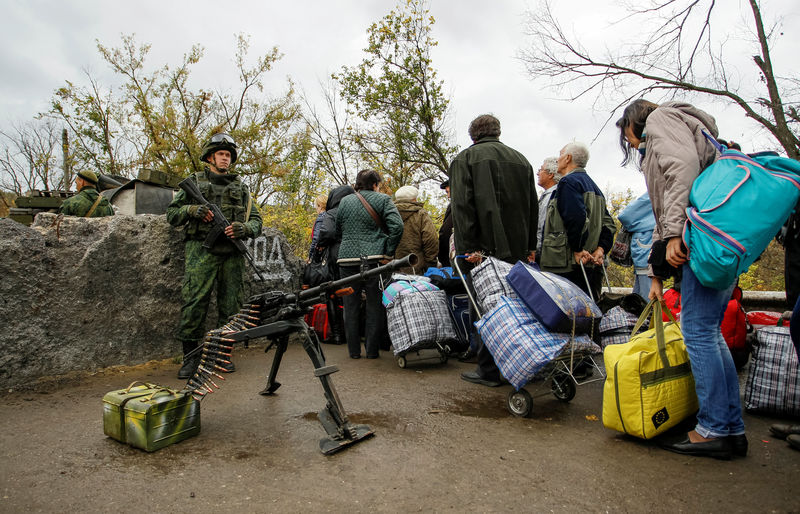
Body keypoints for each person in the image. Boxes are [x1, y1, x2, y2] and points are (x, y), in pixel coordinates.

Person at [616, 98, 746, 459]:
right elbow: (667, 199)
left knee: (699, 332)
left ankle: (715, 428)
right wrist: (658, 272)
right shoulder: (692, 126)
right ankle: (730, 426)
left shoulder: (661, 119)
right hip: (716, 237)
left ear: (634, 122)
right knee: (707, 330)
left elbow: (682, 172)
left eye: (629, 136)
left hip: (698, 238)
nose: (631, 143)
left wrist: (674, 234)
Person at [449, 114, 538, 387]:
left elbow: (462, 210)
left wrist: (466, 252)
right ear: (497, 133)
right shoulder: (522, 160)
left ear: (473, 135)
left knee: (484, 307)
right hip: (517, 250)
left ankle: (488, 370)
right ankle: (521, 362)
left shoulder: (464, 159)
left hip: (481, 252)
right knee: (517, 306)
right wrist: (530, 246)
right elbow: (532, 206)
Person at [166, 133, 263, 379]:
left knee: (231, 306)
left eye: (228, 155)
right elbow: (172, 214)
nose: (225, 159)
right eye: (221, 154)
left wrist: (244, 229)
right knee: (194, 302)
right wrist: (193, 210)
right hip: (201, 251)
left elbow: (256, 220)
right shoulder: (194, 183)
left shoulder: (241, 188)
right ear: (210, 157)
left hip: (231, 254)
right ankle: (191, 359)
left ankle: (221, 356)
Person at [335, 169, 403, 359]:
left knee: (350, 305)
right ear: (375, 184)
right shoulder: (382, 200)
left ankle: (354, 351)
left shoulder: (344, 202)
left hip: (346, 259)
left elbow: (338, 228)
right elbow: (397, 226)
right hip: (375, 259)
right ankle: (372, 351)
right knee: (374, 304)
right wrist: (388, 253)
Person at [539, 141, 616, 302]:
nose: (558, 159)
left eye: (560, 154)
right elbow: (609, 224)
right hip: (589, 264)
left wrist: (578, 248)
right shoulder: (595, 188)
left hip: (567, 264)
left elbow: (576, 217)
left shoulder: (568, 183)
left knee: (569, 315)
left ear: (567, 158)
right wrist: (600, 249)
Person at [316, 184, 356, 345]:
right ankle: (355, 332)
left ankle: (338, 334)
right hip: (357, 255)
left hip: (336, 256)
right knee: (354, 293)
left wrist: (319, 246)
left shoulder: (331, 213)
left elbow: (326, 234)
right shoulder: (356, 211)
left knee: (333, 294)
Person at [617, 192, 655, 298]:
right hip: (646, 250)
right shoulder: (654, 194)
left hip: (644, 249)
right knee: (646, 300)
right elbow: (625, 216)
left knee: (640, 298)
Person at [393, 185, 438, 274]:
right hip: (416, 267)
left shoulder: (387, 213)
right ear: (414, 199)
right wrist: (430, 263)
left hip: (391, 268)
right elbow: (431, 239)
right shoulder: (420, 214)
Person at [535, 157, 560, 263]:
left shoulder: (550, 197)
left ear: (551, 174)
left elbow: (541, 228)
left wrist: (536, 253)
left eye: (541, 170)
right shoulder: (551, 195)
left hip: (544, 256)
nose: (537, 173)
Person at [307, 194, 328, 263]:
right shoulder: (329, 216)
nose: (316, 208)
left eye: (316, 206)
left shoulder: (321, 218)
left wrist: (310, 256)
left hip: (320, 254)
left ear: (320, 206)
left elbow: (316, 239)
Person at [437, 179, 453, 267]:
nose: (448, 196)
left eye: (448, 192)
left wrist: (443, 258)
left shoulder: (455, 206)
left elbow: (446, 231)